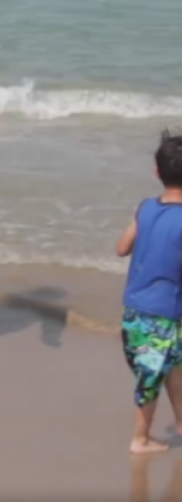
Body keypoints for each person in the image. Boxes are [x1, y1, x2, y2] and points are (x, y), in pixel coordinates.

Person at [115, 130, 182, 454]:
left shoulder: (144, 208)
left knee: (171, 367)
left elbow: (121, 247)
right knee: (152, 377)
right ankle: (140, 439)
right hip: (163, 316)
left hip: (134, 312)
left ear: (157, 172)